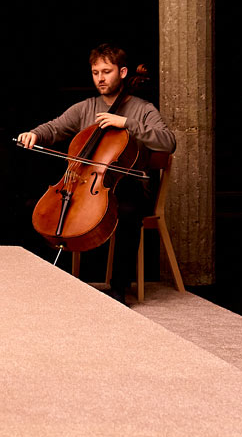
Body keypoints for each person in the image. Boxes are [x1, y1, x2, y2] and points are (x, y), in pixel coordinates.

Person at [17, 43, 176, 305]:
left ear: (123, 72)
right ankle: (51, 278)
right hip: (86, 184)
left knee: (126, 210)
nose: (100, 79)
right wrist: (34, 133)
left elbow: (168, 142)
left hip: (129, 184)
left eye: (106, 71)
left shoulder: (142, 109)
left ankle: (119, 286)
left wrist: (127, 124)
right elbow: (55, 127)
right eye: (95, 73)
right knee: (41, 209)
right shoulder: (85, 108)